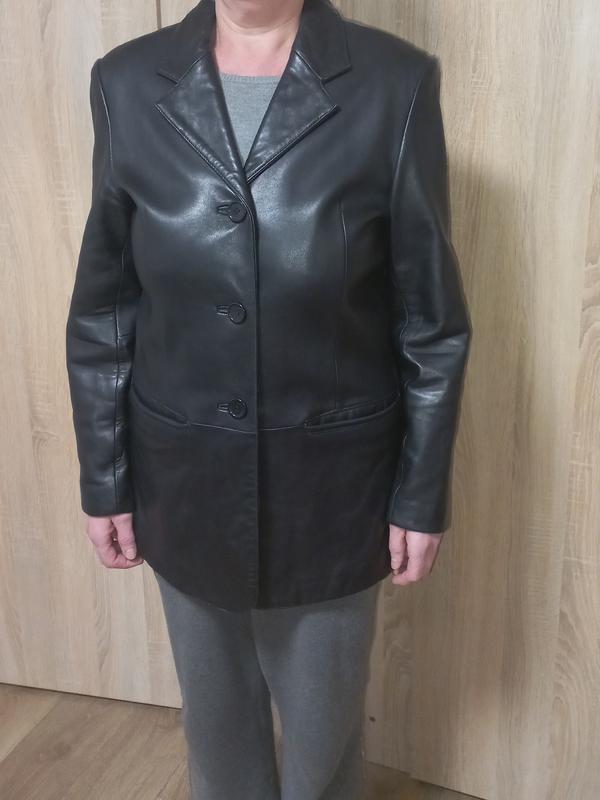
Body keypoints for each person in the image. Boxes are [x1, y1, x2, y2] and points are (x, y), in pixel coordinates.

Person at [65, 0, 472, 797]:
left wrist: (420, 493)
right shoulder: (125, 82)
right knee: (216, 732)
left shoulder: (394, 84)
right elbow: (105, 310)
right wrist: (105, 477)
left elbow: (431, 324)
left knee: (324, 739)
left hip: (334, 487)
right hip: (182, 474)